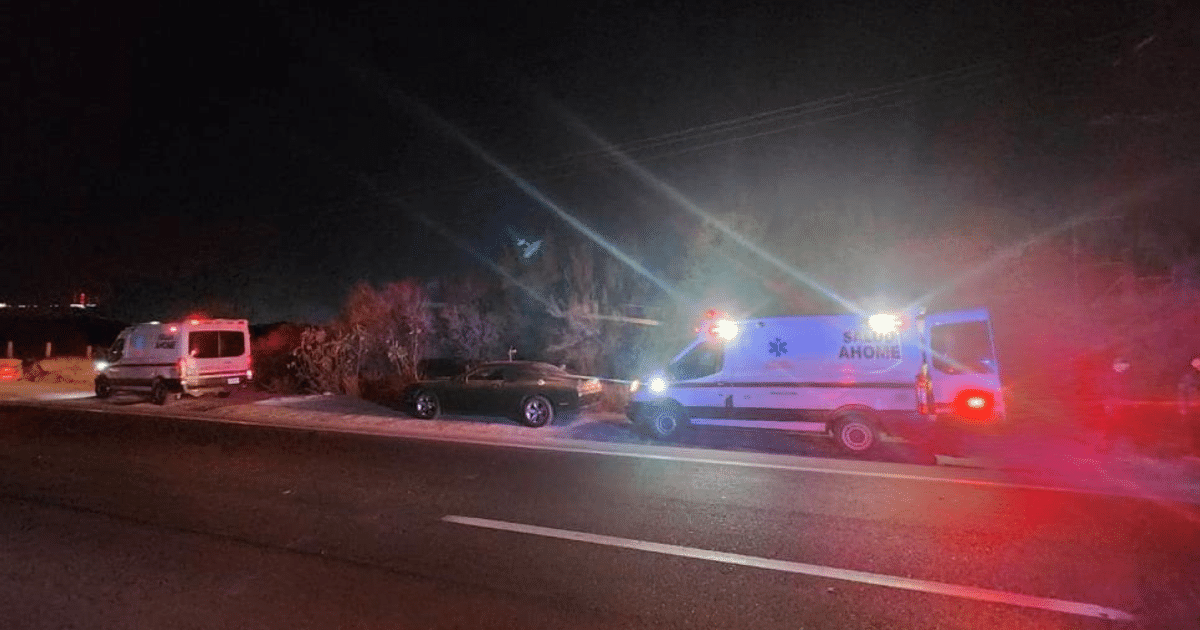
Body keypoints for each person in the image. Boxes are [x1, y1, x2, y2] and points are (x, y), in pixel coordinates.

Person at [1096, 357, 1133, 452]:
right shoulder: (1109, 376)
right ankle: (1103, 446)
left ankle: (1111, 445)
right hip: (1110, 403)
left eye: (1126, 366)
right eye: (1123, 365)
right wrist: (1107, 404)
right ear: (1116, 365)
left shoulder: (1125, 376)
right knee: (1107, 425)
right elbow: (1104, 390)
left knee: (1117, 425)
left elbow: (1126, 391)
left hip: (1120, 405)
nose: (1126, 367)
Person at [1177, 356, 1200, 457]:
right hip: (1191, 408)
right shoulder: (1187, 378)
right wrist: (1182, 408)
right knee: (1190, 430)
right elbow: (1182, 394)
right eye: (1197, 365)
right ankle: (1188, 450)